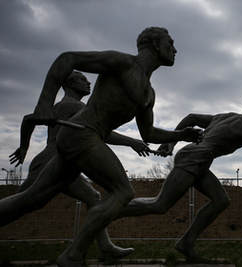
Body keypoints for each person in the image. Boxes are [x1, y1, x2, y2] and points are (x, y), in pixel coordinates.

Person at [0, 27, 203, 266]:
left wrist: (181, 134)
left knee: (32, 199)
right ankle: (73, 255)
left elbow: (148, 133)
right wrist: (44, 104)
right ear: (156, 45)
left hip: (81, 138)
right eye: (171, 42)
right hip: (83, 132)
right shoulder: (122, 63)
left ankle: (90, 251)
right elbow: (67, 59)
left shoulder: (149, 93)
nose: (175, 49)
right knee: (123, 191)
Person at [117, 96, 242, 261]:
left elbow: (190, 118)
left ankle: (186, 244)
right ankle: (107, 210)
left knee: (221, 200)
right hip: (195, 158)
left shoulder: (225, 116)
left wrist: (171, 143)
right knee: (159, 205)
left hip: (198, 159)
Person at [8, 71, 151, 262]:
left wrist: (24, 146)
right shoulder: (72, 106)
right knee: (21, 204)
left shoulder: (68, 106)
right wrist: (131, 141)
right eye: (83, 80)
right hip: (50, 160)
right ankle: (103, 249)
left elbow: (28, 121)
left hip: (65, 160)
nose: (88, 82)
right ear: (70, 84)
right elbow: (101, 133)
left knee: (92, 196)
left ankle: (106, 249)